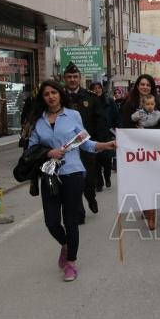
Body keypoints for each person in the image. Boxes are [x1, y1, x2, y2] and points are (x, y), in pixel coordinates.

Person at [27, 80, 116, 282]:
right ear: (42, 98)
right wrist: (49, 152)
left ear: (60, 94)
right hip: (49, 174)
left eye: (54, 92)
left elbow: (86, 144)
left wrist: (107, 145)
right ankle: (66, 245)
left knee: (70, 220)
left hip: (73, 172)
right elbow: (31, 149)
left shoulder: (73, 115)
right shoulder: (38, 121)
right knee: (51, 221)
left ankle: (71, 263)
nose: (50, 96)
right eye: (46, 94)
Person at [120, 74, 160, 230]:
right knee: (140, 180)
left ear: (152, 87)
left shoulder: (158, 103)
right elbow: (124, 125)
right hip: (136, 150)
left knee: (152, 180)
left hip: (153, 149)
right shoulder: (129, 104)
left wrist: (149, 130)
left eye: (148, 84)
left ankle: (151, 215)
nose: (145, 87)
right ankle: (144, 206)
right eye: (142, 84)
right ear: (137, 86)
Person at [62, 62, 105, 217]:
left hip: (87, 145)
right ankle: (78, 211)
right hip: (67, 147)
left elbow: (99, 121)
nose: (72, 80)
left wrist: (98, 144)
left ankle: (91, 197)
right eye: (69, 77)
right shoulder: (59, 97)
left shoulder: (90, 98)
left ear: (80, 79)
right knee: (74, 179)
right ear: (64, 79)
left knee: (89, 179)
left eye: (75, 77)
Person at [88, 82, 118, 191]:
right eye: (94, 88)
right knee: (96, 162)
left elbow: (116, 116)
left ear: (102, 89)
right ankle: (99, 183)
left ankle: (107, 177)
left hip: (107, 134)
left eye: (98, 88)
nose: (97, 90)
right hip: (94, 135)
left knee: (106, 161)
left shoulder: (109, 101)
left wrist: (118, 131)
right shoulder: (89, 102)